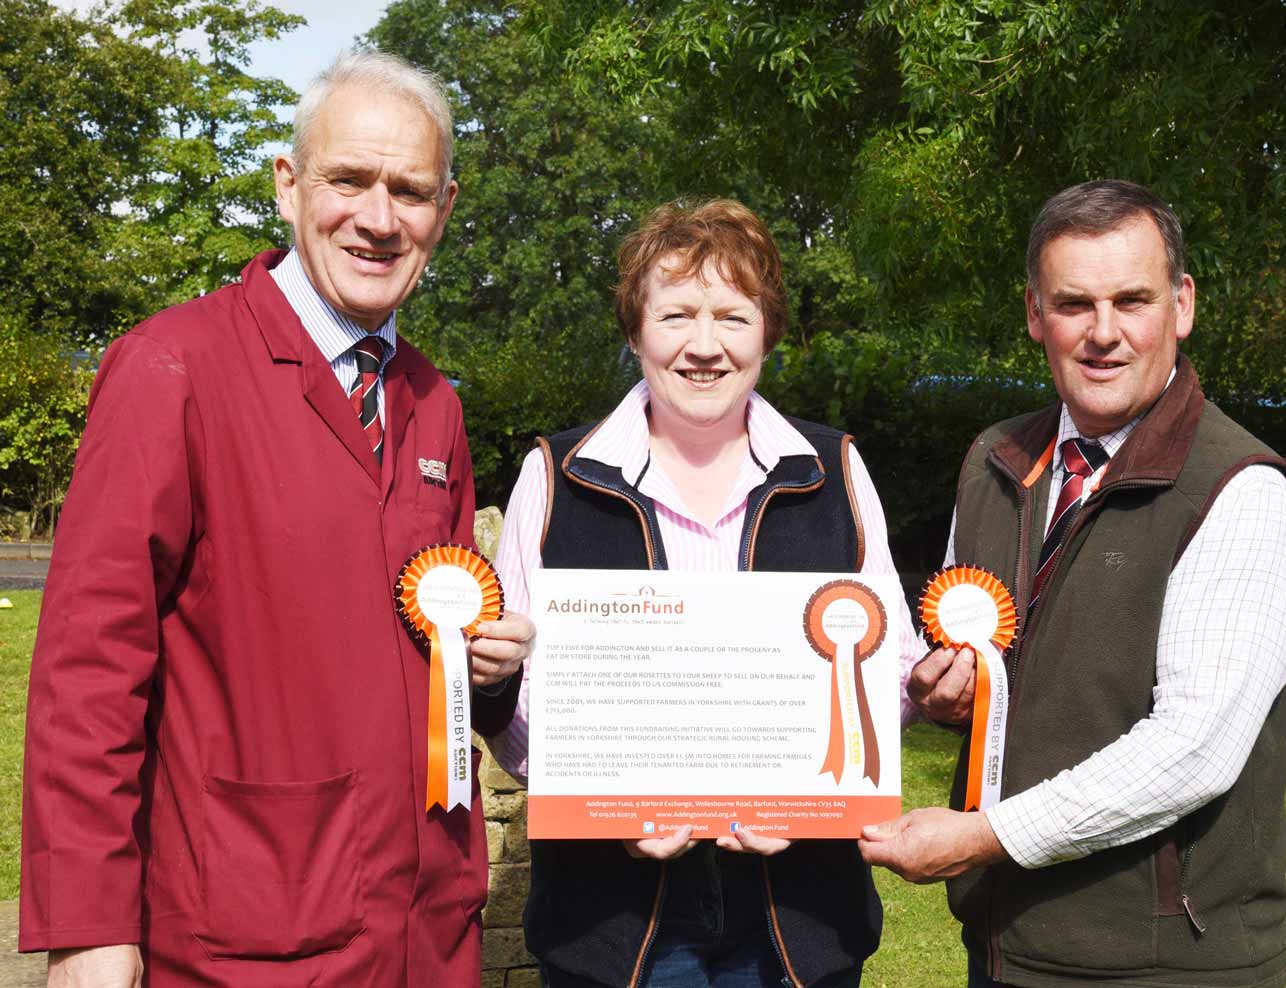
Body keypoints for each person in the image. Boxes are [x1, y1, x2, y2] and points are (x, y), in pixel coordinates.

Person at [20, 50, 534, 987]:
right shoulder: (171, 367)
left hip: (424, 934)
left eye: (411, 192)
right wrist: (88, 924)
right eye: (349, 180)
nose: (379, 219)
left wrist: (488, 671)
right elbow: (87, 669)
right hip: (243, 935)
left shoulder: (434, 404)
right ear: (290, 187)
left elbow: (429, 654)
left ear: (445, 210)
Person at [859, 180, 1286, 988]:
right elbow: (1008, 667)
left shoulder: (1243, 492)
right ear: (1035, 314)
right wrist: (953, 696)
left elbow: (1193, 752)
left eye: (1132, 300)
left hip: (1165, 964)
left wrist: (984, 839)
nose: (1104, 333)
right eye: (1075, 303)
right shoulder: (995, 461)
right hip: (1008, 945)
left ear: (1181, 305)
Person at [486, 199, 925, 988]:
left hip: (799, 924)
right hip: (615, 929)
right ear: (635, 331)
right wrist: (606, 807)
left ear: (767, 333)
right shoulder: (553, 476)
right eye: (676, 314)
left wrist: (802, 799)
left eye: (732, 315)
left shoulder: (838, 471)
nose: (703, 346)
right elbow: (516, 703)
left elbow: (887, 672)